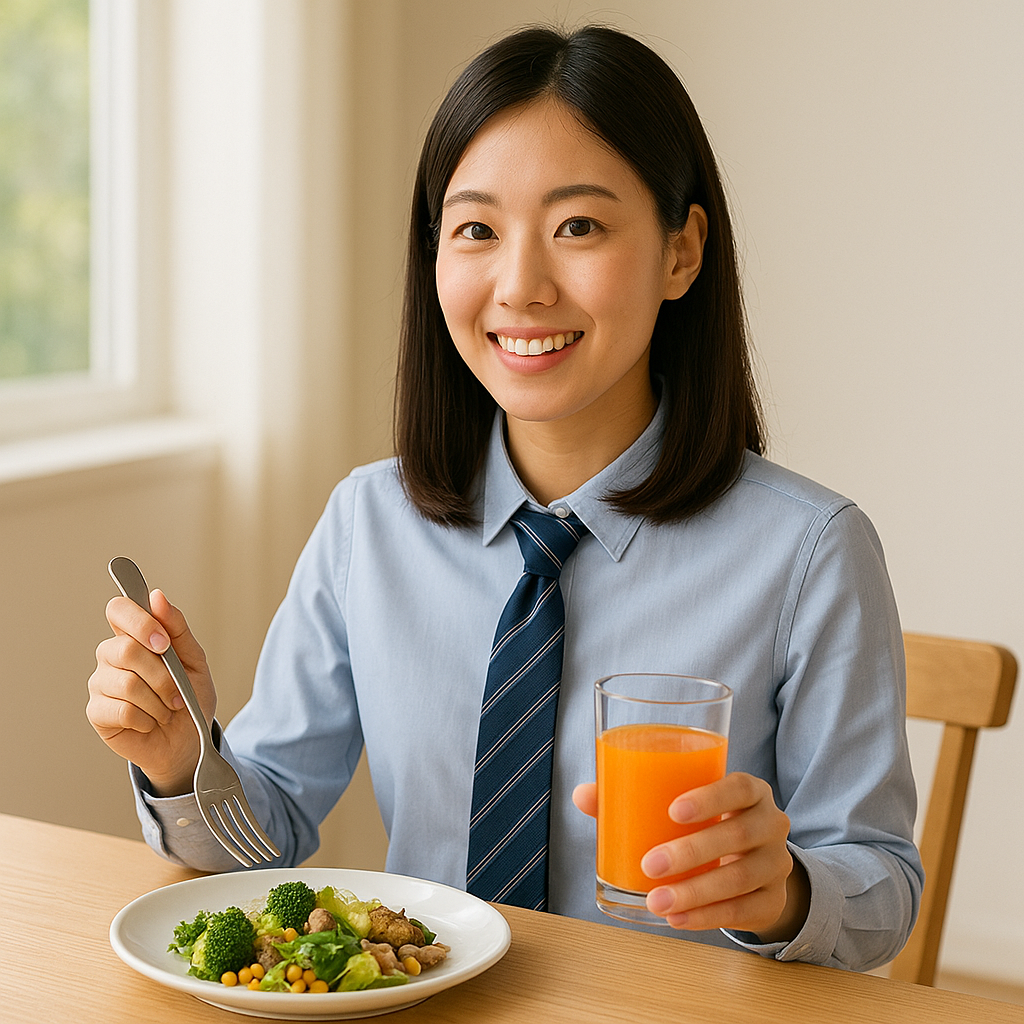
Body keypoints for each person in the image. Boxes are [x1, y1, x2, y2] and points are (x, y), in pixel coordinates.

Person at [86, 24, 922, 971]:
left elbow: (880, 886)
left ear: (682, 252)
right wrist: (182, 762)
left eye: (579, 227)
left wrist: (785, 892)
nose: (520, 287)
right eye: (477, 230)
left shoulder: (811, 553)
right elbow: (262, 838)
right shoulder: (369, 525)